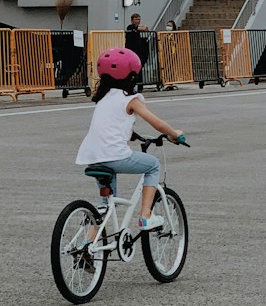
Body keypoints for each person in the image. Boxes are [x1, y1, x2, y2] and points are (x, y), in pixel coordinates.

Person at [76, 47, 188, 233]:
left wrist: (133, 134)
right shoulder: (131, 99)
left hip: (94, 157)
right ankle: (146, 216)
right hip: (114, 156)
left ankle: (87, 247)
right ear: (131, 76)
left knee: (105, 205)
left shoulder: (103, 98)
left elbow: (112, 125)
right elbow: (157, 124)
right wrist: (173, 134)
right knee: (153, 165)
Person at [124, 12, 150, 89]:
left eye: (139, 19)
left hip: (139, 52)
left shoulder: (137, 28)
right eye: (136, 19)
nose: (138, 21)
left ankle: (140, 85)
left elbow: (145, 28)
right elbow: (141, 28)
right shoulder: (130, 27)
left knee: (139, 68)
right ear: (132, 20)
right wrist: (142, 28)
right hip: (131, 51)